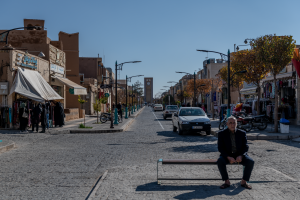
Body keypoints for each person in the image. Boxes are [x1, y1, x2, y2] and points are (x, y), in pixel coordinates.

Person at [217, 116, 254, 190]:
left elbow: (245, 147)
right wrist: (228, 157)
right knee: (220, 161)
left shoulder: (242, 133)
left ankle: (244, 182)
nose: (232, 125)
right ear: (227, 124)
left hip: (240, 155)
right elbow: (220, 148)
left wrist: (241, 156)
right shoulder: (221, 133)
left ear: (236, 124)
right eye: (230, 123)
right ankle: (226, 182)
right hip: (227, 155)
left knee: (250, 162)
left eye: (234, 123)